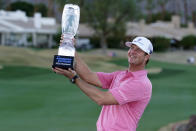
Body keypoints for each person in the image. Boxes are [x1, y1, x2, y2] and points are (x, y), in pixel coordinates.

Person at [52, 36, 153, 131]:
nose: (132, 52)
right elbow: (88, 76)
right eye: (132, 48)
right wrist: (71, 49)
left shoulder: (141, 83)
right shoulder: (119, 75)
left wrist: (74, 78)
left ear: (146, 57)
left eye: (138, 50)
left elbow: (102, 99)